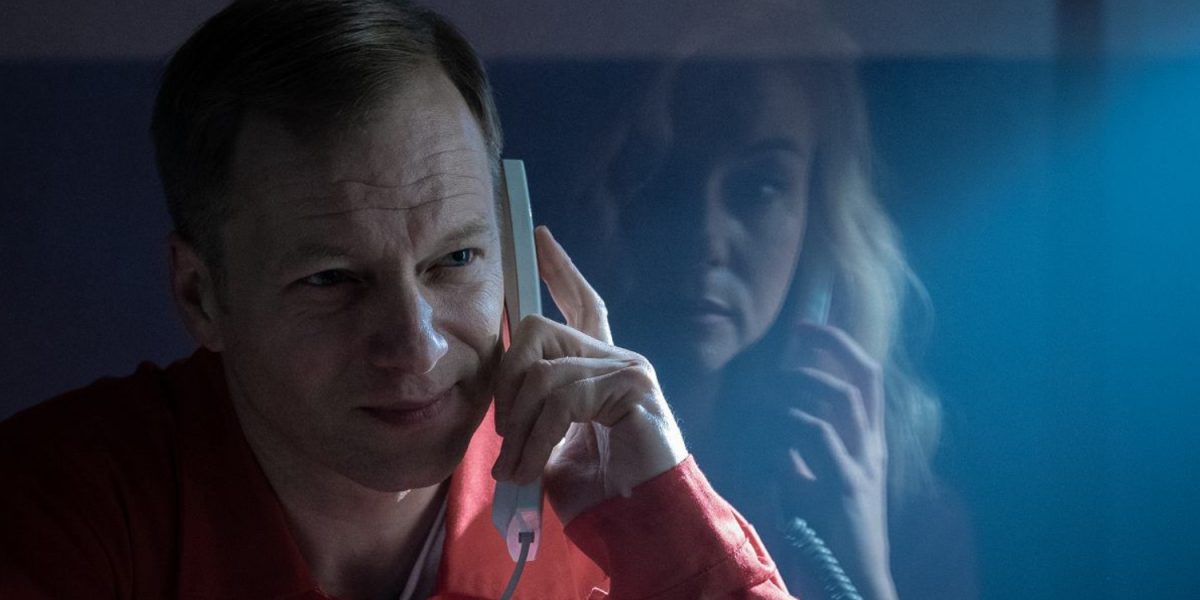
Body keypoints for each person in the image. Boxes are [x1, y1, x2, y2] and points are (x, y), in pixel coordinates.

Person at [0, 2, 791, 598]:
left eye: (456, 259)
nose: (416, 346)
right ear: (200, 295)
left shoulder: (609, 502)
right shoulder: (54, 509)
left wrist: (673, 532)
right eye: (332, 279)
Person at [573, 4, 979, 600]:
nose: (705, 238)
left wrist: (861, 563)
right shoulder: (537, 480)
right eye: (666, 180)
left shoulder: (913, 523)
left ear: (818, 218)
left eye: (759, 187)